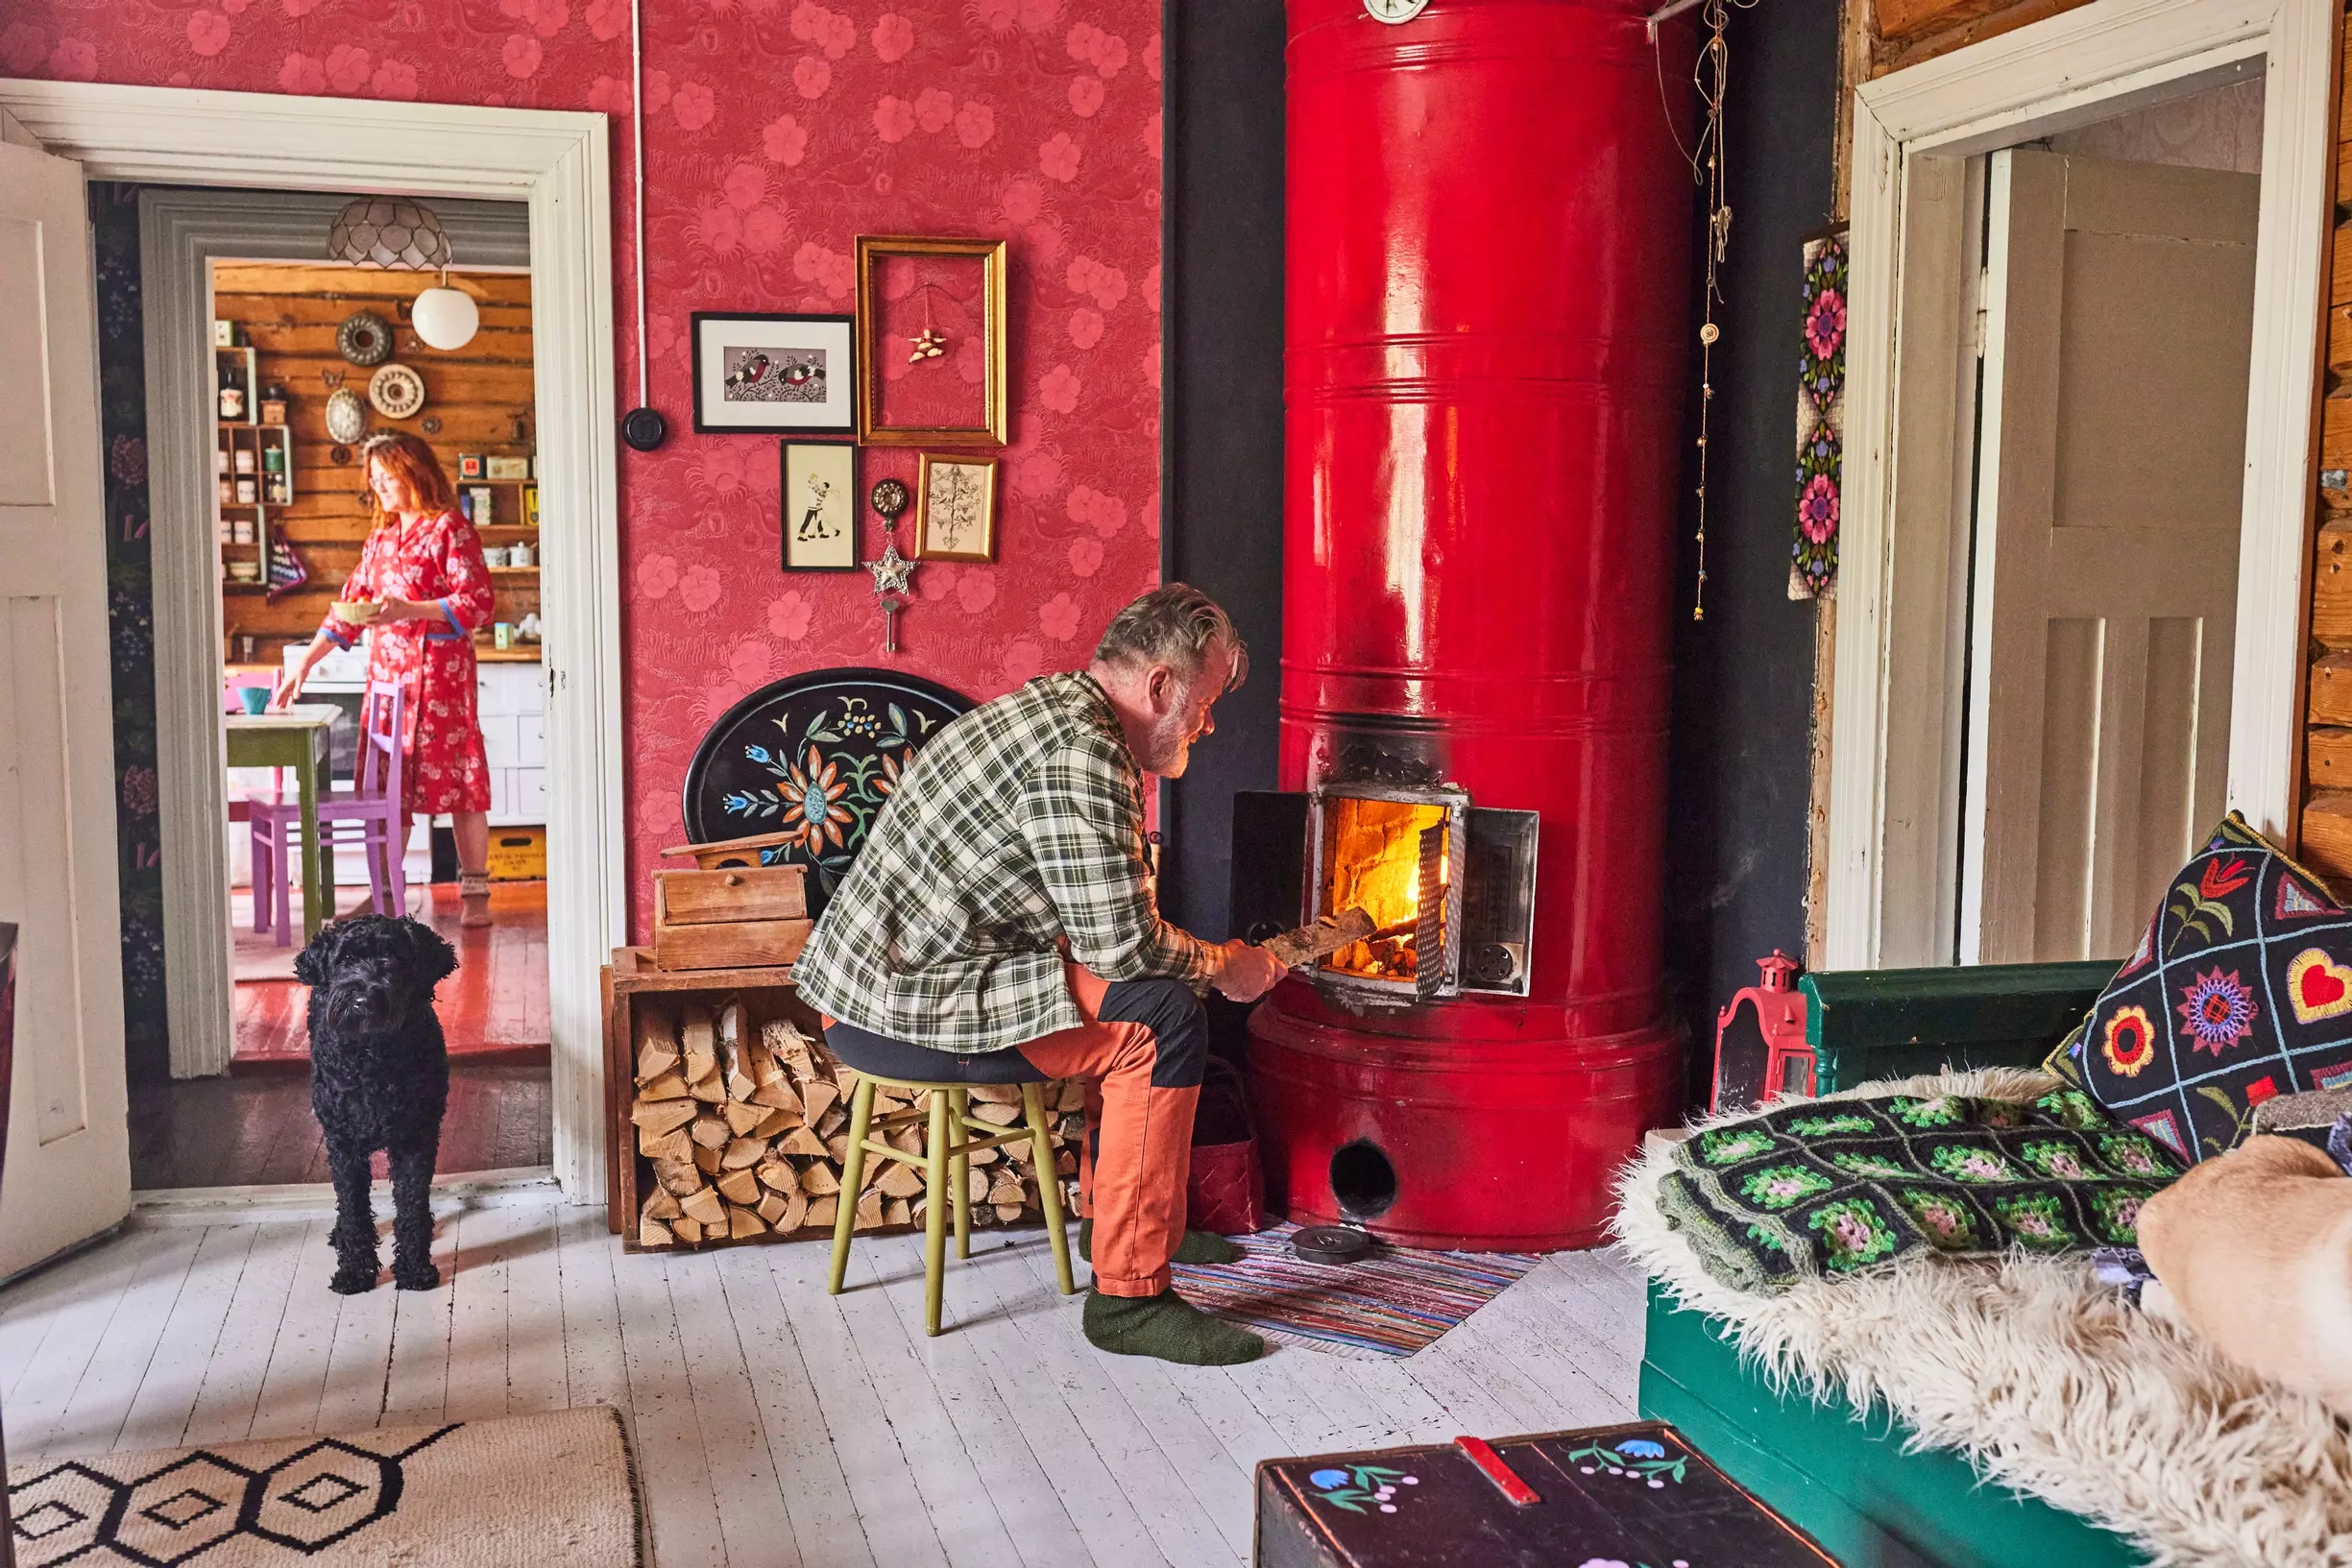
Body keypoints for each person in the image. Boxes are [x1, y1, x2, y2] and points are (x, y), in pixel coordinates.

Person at [794, 584, 1287, 1364]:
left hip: (899, 980)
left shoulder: (1062, 712)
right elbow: (1124, 946)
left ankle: (1118, 1217)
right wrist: (1229, 965)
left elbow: (1100, 936)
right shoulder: (1078, 751)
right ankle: (1128, 1300)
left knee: (1138, 1002)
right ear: (1160, 685)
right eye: (1207, 698)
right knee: (1161, 1020)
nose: (1210, 721)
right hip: (901, 1007)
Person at [274, 431, 498, 929]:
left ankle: (476, 897)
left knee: (460, 783)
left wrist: (408, 609)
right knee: (386, 787)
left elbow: (478, 602)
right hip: (388, 684)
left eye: (386, 477)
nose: (378, 488)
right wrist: (304, 663)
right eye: (372, 480)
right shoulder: (380, 541)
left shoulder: (450, 530)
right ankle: (385, 896)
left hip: (441, 680)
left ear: (413, 471)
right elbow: (347, 610)